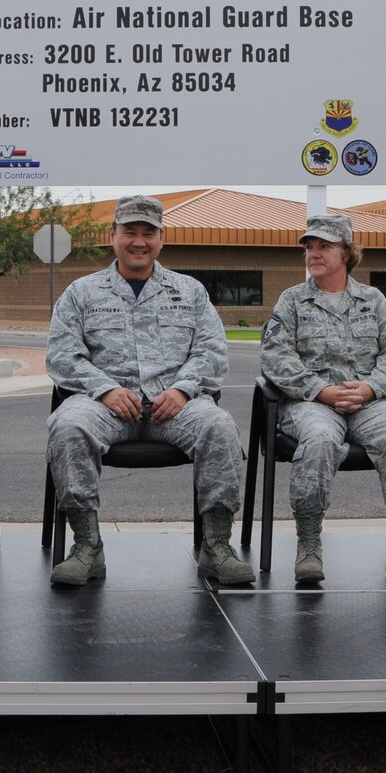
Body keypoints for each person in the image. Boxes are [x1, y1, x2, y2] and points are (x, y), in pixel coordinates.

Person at [46, 195, 255, 587]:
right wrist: (105, 389)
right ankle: (87, 546)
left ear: (162, 238)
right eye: (130, 232)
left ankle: (217, 545)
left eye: (148, 233)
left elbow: (212, 352)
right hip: (104, 407)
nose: (138, 241)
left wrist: (183, 389)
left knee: (219, 427)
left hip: (174, 407)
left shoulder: (189, 291)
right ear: (113, 235)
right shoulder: (81, 293)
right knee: (69, 427)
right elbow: (62, 356)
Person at [260, 213, 386, 587]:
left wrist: (370, 388)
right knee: (318, 440)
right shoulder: (292, 301)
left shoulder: (373, 299)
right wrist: (320, 389)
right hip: (312, 402)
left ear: (348, 252)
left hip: (370, 402)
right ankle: (309, 544)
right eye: (309, 247)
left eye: (324, 246)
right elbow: (275, 356)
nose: (313, 254)